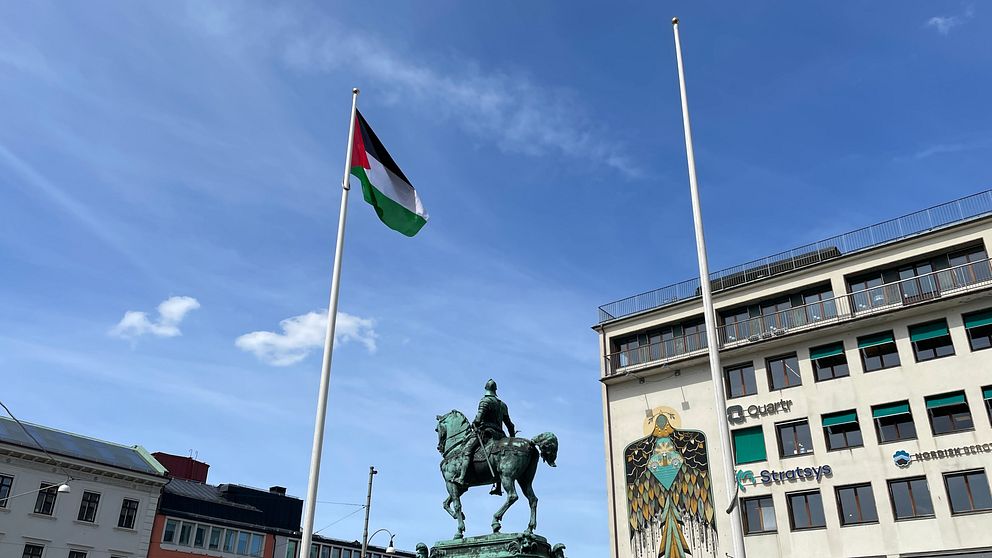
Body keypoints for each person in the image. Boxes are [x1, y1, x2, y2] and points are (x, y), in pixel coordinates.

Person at [456, 379, 516, 495]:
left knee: (467, 450)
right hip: (500, 436)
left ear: (486, 389)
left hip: (486, 434)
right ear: (495, 390)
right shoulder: (502, 405)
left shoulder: (485, 401)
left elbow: (478, 419)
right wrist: (512, 437)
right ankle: (498, 487)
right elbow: (510, 424)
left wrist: (475, 423)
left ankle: (462, 478)